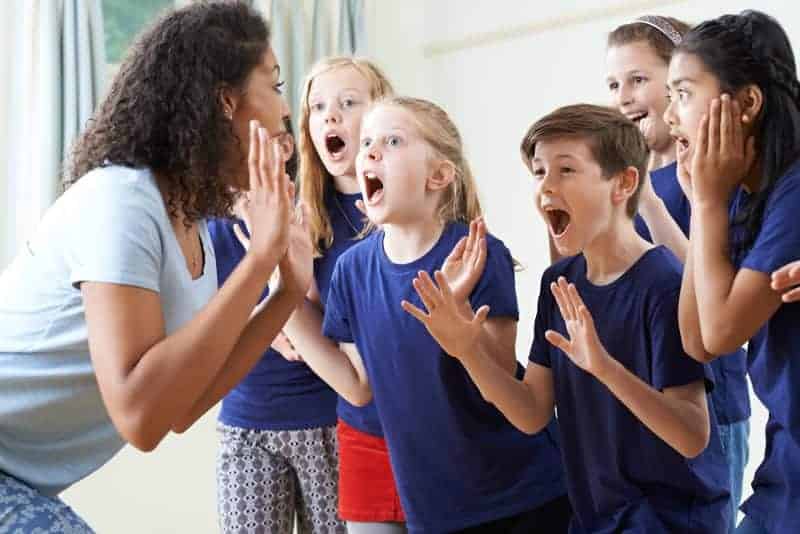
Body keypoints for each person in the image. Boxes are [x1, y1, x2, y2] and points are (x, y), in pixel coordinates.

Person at [0, 3, 310, 531]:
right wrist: (260, 261)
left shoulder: (192, 228)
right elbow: (138, 416)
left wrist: (284, 292)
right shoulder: (120, 202)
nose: (285, 113)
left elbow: (180, 408)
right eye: (275, 85)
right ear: (226, 102)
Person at [405, 104, 731, 533]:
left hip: (671, 522)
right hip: (595, 520)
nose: (546, 188)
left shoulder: (665, 284)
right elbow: (532, 413)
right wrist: (467, 351)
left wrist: (604, 368)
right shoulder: (558, 282)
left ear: (623, 183)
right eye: (539, 173)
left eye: (566, 171)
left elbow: (693, 434)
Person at [606, 16, 751, 528]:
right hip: (643, 405)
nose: (623, 96)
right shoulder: (622, 185)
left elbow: (714, 284)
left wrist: (648, 202)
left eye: (638, 80)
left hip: (711, 404)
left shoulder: (715, 175)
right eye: (613, 84)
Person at [667, 10, 800, 534]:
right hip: (786, 464)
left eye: (683, 93)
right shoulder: (746, 199)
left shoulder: (793, 190)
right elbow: (696, 340)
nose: (671, 114)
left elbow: (722, 332)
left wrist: (707, 203)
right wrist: (706, 206)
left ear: (747, 103)